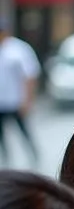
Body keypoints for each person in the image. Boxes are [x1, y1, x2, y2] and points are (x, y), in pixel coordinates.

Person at [0, 21, 39, 166]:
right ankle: (6, 158)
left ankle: (34, 155)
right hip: (1, 101)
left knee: (23, 130)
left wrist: (28, 100)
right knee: (1, 134)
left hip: (16, 100)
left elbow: (30, 76)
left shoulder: (19, 49)